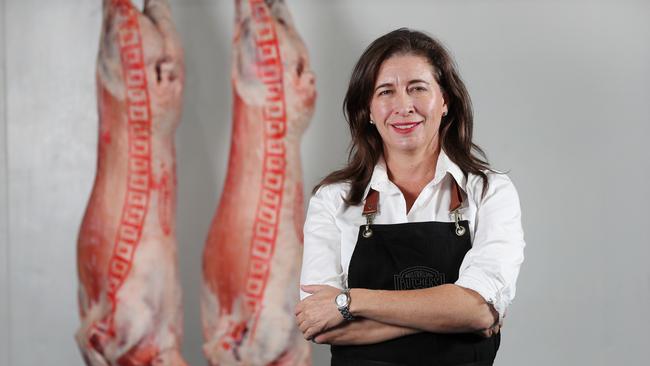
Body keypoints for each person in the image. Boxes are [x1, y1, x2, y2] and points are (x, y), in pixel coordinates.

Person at [294, 28, 525, 366]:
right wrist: (455, 316)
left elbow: (476, 312)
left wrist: (350, 301)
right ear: (368, 111)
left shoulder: (489, 192)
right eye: (386, 92)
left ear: (445, 101)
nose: (403, 106)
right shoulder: (333, 200)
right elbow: (321, 325)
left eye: (417, 88)